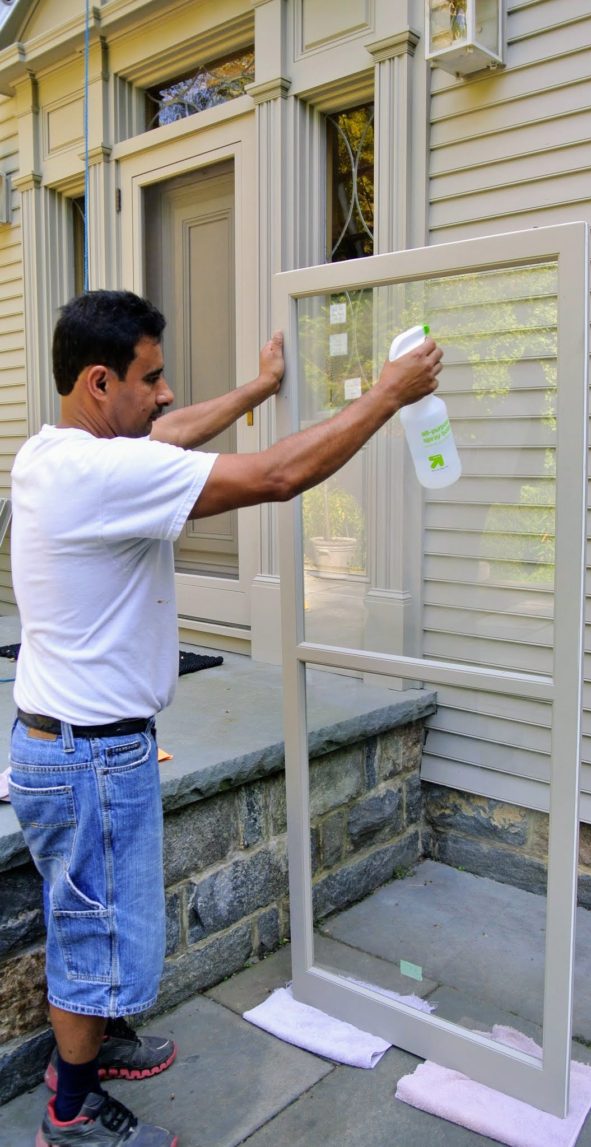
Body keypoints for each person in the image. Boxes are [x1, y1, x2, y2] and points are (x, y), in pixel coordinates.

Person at [8, 289, 443, 1147]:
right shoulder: (98, 474)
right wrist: (389, 394)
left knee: (97, 920)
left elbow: (166, 437)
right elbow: (279, 476)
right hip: (88, 758)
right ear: (99, 383)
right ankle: (70, 1110)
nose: (167, 394)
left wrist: (254, 389)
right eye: (152, 376)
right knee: (93, 939)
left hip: (81, 743)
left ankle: (102, 1047)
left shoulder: (54, 452)